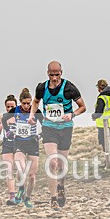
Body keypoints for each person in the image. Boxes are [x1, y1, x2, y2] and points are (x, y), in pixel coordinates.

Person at [29, 61, 86, 211]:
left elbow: (83, 107)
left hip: (65, 128)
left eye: (57, 74)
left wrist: (72, 114)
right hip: (49, 128)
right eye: (51, 75)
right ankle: (53, 197)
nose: (54, 78)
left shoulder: (69, 88)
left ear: (62, 72)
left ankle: (61, 186)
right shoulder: (42, 87)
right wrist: (31, 115)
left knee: (61, 164)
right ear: (47, 73)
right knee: (52, 162)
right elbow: (35, 102)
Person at [4, 89, 42, 208]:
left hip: (32, 144)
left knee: (32, 176)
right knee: (21, 169)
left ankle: (28, 198)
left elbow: (46, 126)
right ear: (20, 102)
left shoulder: (36, 111)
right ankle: (20, 188)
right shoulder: (15, 111)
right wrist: (9, 131)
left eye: (28, 103)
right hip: (19, 143)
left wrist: (39, 136)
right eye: (24, 103)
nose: (26, 106)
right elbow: (4, 119)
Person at [0, 95, 18, 204]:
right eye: (8, 107)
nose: (9, 109)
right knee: (9, 170)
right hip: (7, 145)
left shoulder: (21, 115)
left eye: (12, 106)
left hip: (19, 145)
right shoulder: (2, 117)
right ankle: (12, 196)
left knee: (20, 169)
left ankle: (22, 192)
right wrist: (3, 125)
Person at [91, 79, 110, 154]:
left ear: (99, 88)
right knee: (109, 142)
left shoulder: (102, 98)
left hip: (103, 125)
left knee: (104, 143)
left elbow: (99, 113)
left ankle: (108, 162)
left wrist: (93, 116)